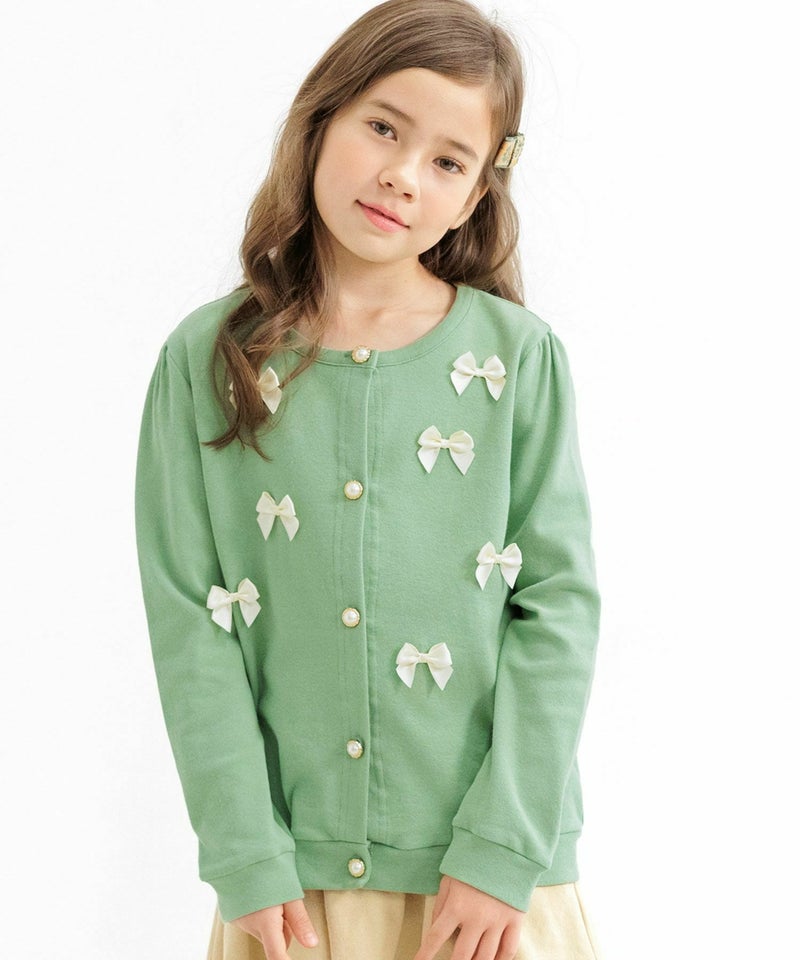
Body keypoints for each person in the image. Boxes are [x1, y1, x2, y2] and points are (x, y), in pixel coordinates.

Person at [134, 1, 603, 958]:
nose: (402, 174)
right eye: (384, 128)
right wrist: (243, 851)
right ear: (320, 120)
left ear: (474, 197)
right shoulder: (208, 358)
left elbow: (559, 607)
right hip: (292, 895)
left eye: (448, 161)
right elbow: (189, 619)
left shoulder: (519, 359)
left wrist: (503, 847)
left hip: (489, 895)